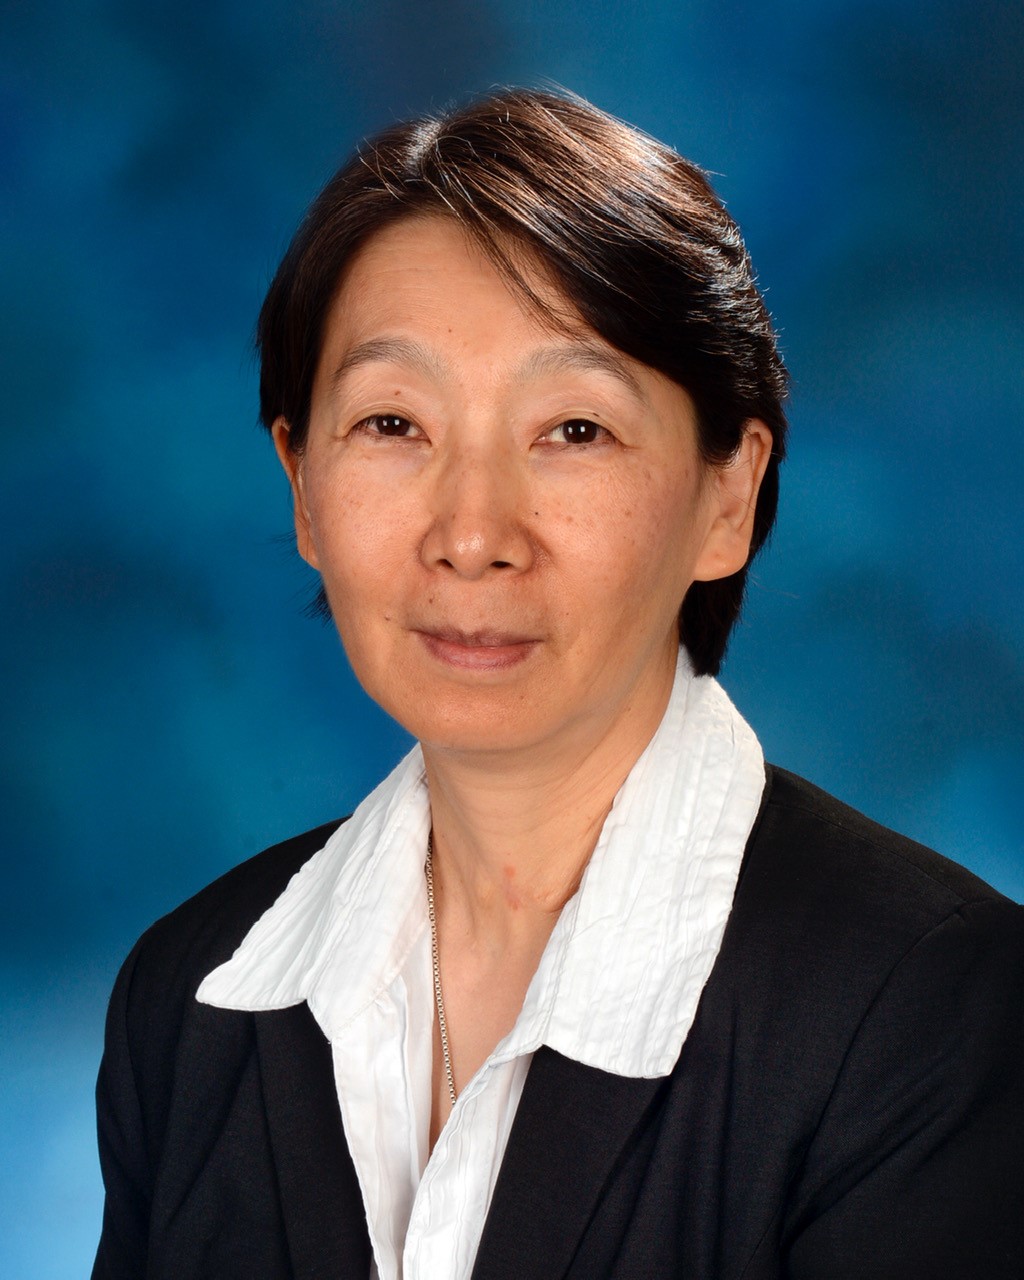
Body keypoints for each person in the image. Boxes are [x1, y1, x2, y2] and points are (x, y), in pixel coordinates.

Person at [91, 89, 1024, 1280]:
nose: (471, 534)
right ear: (301, 483)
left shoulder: (930, 1008)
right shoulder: (188, 998)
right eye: (392, 422)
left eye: (573, 429)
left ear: (727, 494)